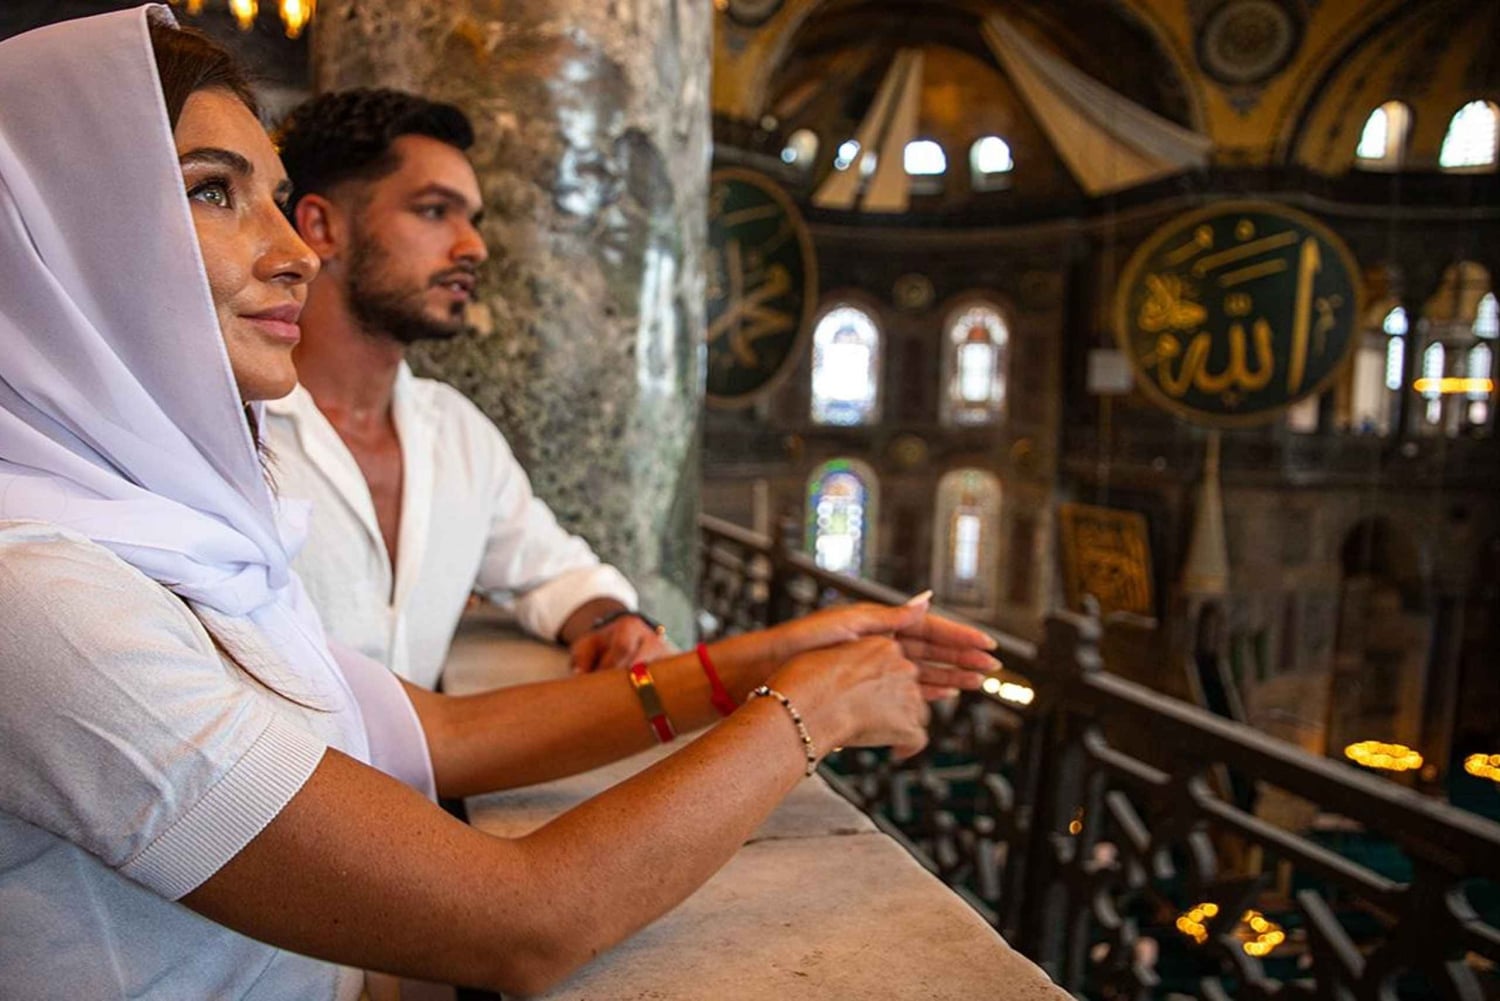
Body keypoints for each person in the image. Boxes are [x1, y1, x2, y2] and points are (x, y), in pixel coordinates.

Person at [0, 9, 998, 997]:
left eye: (276, 195)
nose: (292, 251)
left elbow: (442, 734)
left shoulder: (181, 527)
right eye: (211, 191)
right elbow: (525, 920)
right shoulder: (44, 596)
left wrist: (761, 658)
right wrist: (813, 708)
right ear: (58, 234)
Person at [264, 88, 668, 688]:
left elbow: (554, 571)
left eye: (473, 220)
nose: (473, 247)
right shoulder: (233, 429)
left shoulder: (456, 432)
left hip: (433, 753)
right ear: (322, 227)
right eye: (434, 211)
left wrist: (613, 624)